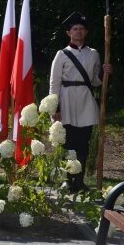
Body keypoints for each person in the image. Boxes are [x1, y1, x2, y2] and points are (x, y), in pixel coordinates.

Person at [49, 11, 113, 192]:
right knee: (67, 145)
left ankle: (79, 181)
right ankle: (66, 180)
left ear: (85, 32)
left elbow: (94, 81)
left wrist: (104, 73)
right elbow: (54, 83)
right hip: (66, 101)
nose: (78, 32)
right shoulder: (61, 54)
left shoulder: (93, 54)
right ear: (69, 32)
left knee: (82, 145)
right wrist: (56, 107)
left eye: (81, 29)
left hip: (85, 102)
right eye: (74, 29)